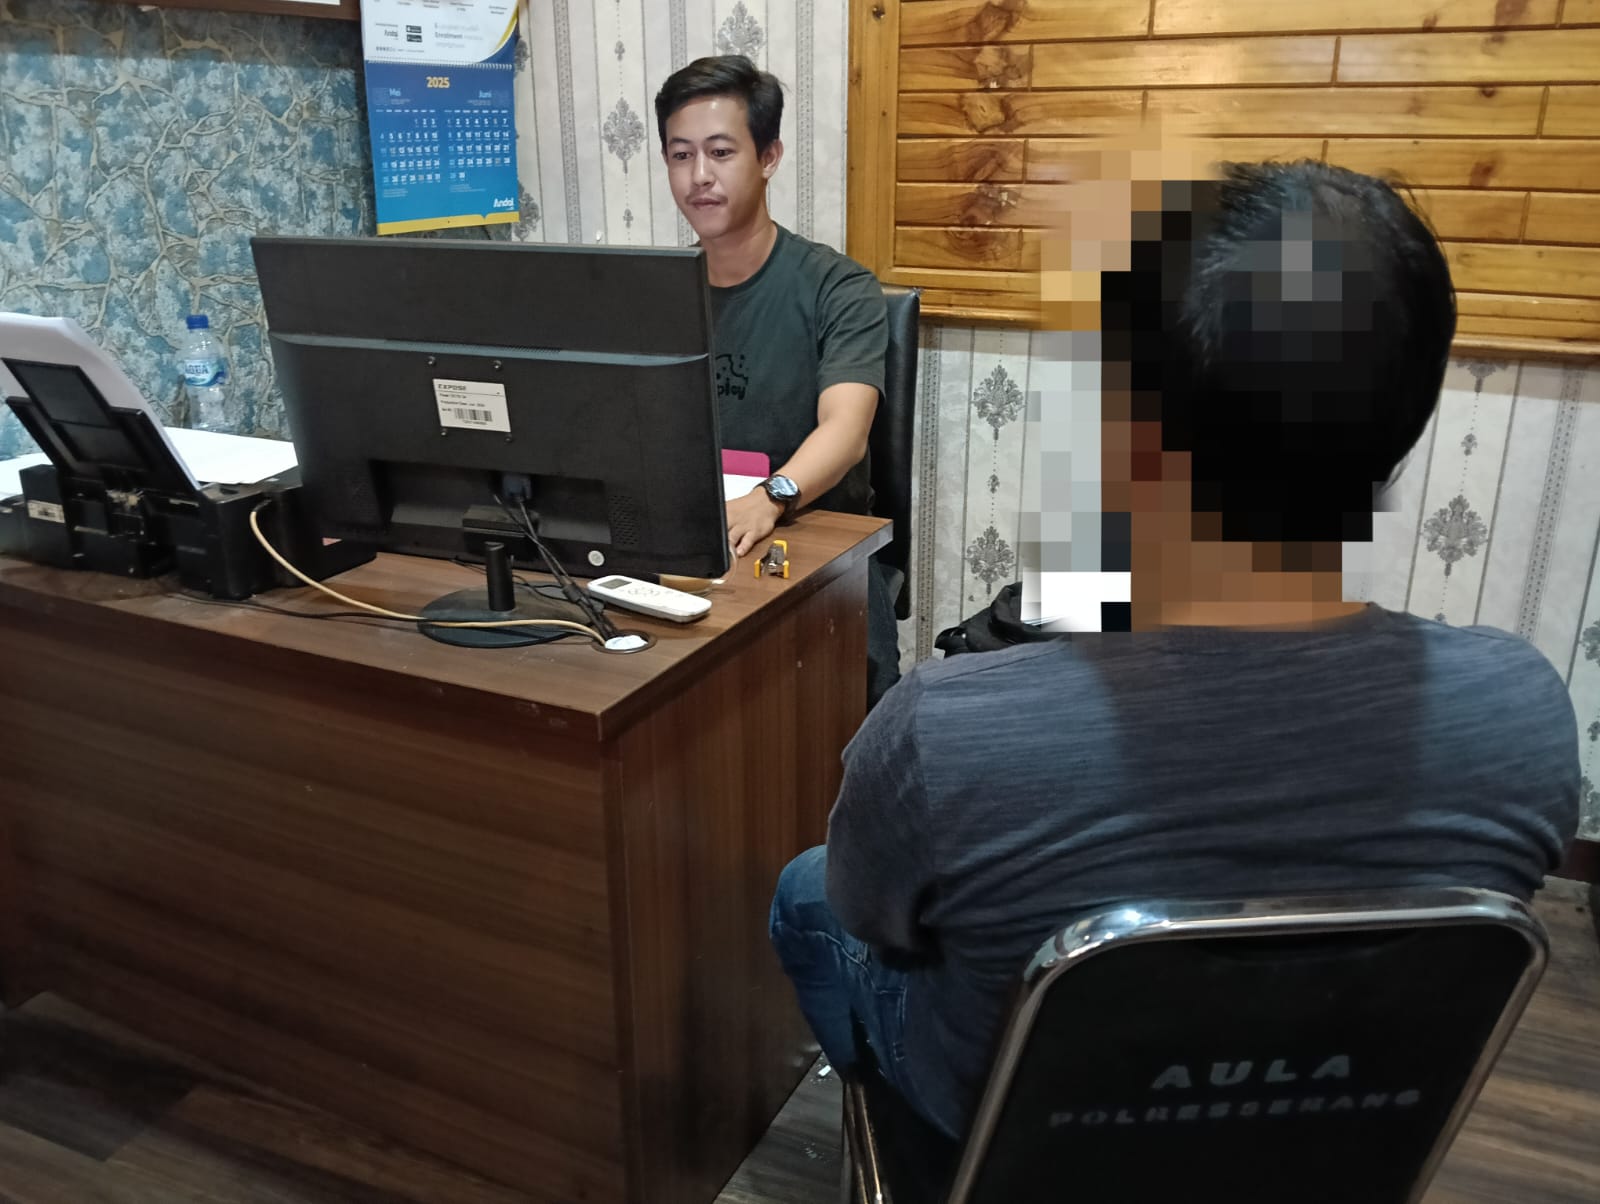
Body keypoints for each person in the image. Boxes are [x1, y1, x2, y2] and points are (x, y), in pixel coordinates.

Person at [768, 159, 1582, 1141]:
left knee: (806, 891)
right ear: (1403, 424)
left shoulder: (945, 731)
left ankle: (897, 1141)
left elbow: (871, 911)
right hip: (1326, 1119)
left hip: (1011, 1131)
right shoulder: (1524, 715)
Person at [654, 55, 900, 708]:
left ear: (768, 157)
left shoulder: (838, 288)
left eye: (720, 152)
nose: (699, 176)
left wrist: (772, 496)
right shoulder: (655, 295)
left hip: (817, 550)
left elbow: (845, 432)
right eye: (680, 155)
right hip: (693, 548)